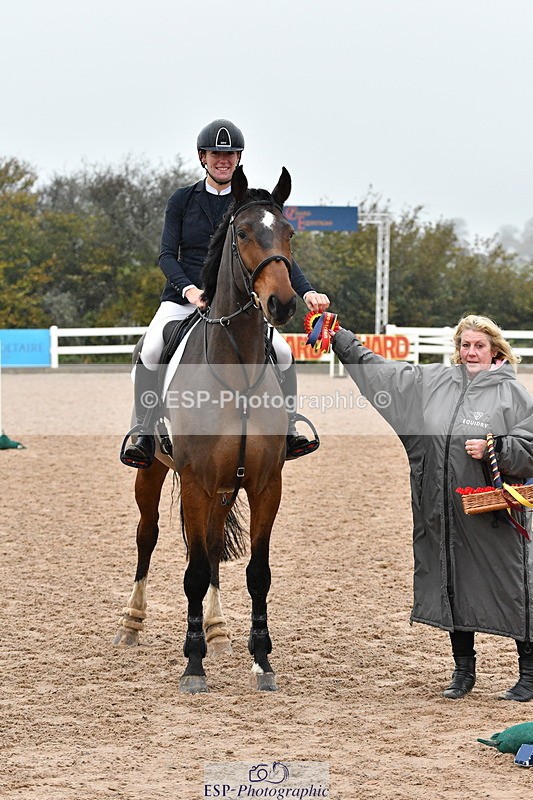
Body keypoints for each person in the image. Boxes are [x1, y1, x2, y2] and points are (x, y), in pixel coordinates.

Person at [331, 314, 533, 701]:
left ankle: (529, 675)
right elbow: (382, 373)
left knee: (513, 585)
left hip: (492, 515)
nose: (470, 352)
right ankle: (463, 672)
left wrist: (500, 449)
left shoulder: (512, 394)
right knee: (450, 582)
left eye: (479, 346)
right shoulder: (435, 382)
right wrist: (339, 338)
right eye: (465, 345)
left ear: (495, 351)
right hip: (441, 509)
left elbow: (531, 442)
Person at [121, 118, 329, 468]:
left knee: (282, 351)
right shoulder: (183, 200)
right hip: (184, 298)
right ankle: (144, 430)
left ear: (238, 158)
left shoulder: (249, 203)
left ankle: (290, 426)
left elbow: (272, 255)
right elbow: (166, 255)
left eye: (230, 154)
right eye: (216, 154)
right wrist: (188, 290)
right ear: (203, 157)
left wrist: (306, 292)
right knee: (153, 347)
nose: (223, 160)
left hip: (235, 302)